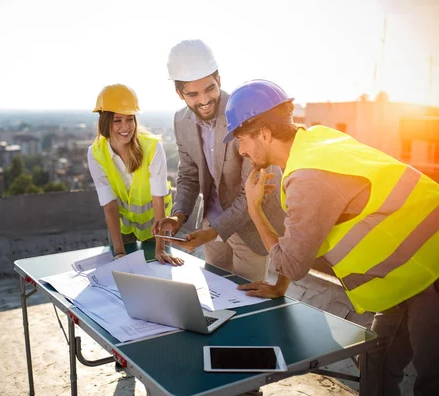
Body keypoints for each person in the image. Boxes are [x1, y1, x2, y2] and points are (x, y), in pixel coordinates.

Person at [224, 79, 439, 396]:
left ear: (264, 133)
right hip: (404, 274)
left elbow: (293, 264)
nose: (241, 149)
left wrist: (254, 208)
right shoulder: (316, 139)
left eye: (241, 138)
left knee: (432, 378)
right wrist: (278, 287)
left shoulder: (307, 177)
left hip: (431, 266)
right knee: (376, 364)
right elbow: (305, 233)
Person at [154, 39, 287, 286]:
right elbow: (188, 175)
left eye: (210, 89)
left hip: (251, 226)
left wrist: (213, 232)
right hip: (210, 222)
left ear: (220, 80)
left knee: (246, 303)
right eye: (193, 94)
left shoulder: (245, 114)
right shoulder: (181, 121)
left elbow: (254, 192)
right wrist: (179, 216)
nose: (204, 100)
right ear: (179, 94)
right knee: (217, 295)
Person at [88, 84, 183, 265]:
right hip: (123, 227)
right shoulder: (95, 154)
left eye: (130, 119)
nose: (126, 127)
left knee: (158, 271)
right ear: (105, 121)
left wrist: (160, 247)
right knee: (123, 275)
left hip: (156, 226)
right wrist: (119, 253)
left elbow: (158, 200)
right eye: (117, 120)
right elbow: (109, 206)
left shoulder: (152, 147)